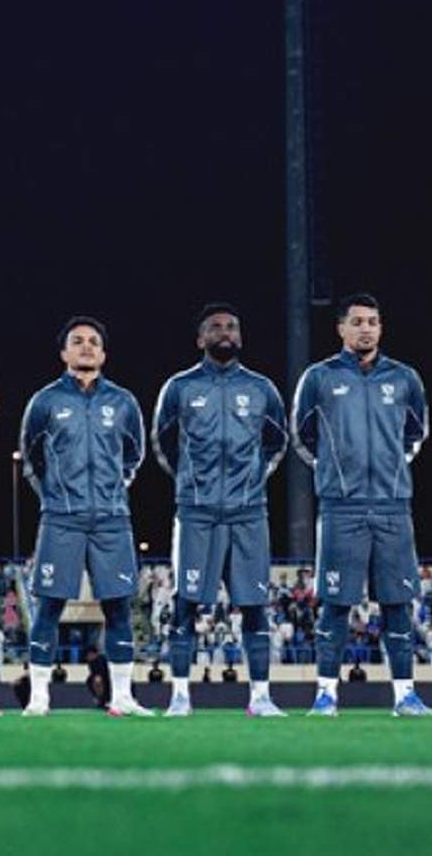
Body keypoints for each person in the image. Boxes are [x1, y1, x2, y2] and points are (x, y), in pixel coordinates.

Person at [293, 293, 432, 717]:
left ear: (381, 327)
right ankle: (325, 695)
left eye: (373, 321)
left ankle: (405, 695)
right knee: (335, 604)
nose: (366, 328)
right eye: (357, 321)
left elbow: (416, 432)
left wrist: (391, 470)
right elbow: (301, 435)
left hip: (392, 505)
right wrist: (336, 473)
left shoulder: (405, 378)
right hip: (341, 507)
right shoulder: (319, 377)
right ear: (341, 329)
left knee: (396, 605)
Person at [152, 303, 288, 717]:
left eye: (232, 326)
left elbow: (277, 441)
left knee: (254, 604)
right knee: (185, 603)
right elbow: (162, 442)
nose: (224, 332)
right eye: (215, 327)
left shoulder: (262, 389)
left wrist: (253, 480)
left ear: (241, 337)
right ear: (201, 339)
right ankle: (179, 695)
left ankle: (261, 697)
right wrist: (191, 483)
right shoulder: (179, 387)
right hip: (197, 512)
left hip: (248, 512)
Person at [18, 316, 150, 716]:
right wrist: (55, 497)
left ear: (104, 353)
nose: (87, 347)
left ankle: (123, 696)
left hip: (112, 520)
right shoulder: (44, 402)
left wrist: (111, 493)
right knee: (49, 606)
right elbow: (31, 458)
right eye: (78, 341)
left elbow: (134, 456)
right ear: (64, 353)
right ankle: (40, 697)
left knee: (118, 607)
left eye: (94, 341)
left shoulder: (123, 402)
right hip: (61, 518)